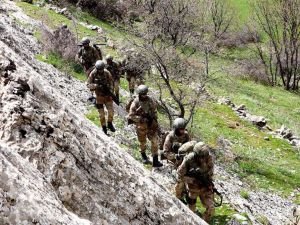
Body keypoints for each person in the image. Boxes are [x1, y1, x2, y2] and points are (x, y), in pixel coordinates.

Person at [177, 142, 215, 222]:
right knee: (191, 210)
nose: (202, 159)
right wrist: (192, 180)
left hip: (205, 187)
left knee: (211, 207)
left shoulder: (209, 158)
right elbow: (180, 175)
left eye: (204, 156)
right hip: (193, 188)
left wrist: (209, 183)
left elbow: (211, 172)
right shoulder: (189, 159)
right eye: (200, 157)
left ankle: (204, 222)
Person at [127, 85, 163, 167]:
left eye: (145, 94)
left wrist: (154, 120)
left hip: (151, 125)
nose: (144, 95)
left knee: (155, 142)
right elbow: (131, 116)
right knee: (143, 143)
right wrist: (141, 119)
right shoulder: (135, 102)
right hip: (141, 126)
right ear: (139, 94)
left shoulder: (151, 100)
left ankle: (155, 160)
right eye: (143, 94)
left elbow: (154, 111)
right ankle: (143, 156)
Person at [87, 60, 115, 135]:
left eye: (101, 69)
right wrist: (96, 86)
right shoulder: (93, 74)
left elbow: (111, 83)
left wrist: (110, 91)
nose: (100, 71)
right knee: (101, 115)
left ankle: (109, 123)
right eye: (99, 69)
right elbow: (88, 84)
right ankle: (104, 128)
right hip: (98, 97)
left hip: (107, 96)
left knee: (111, 112)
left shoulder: (107, 73)